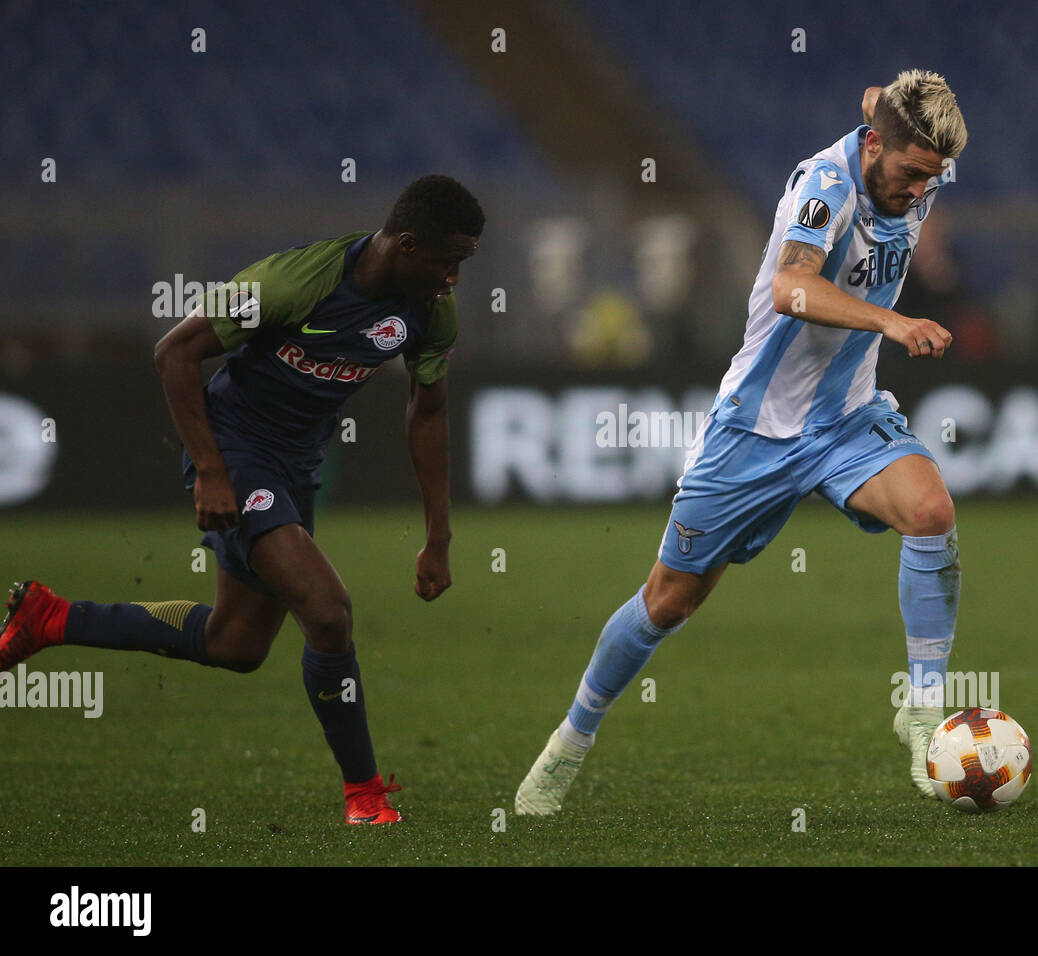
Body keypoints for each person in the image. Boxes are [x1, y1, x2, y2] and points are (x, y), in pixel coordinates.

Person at [515, 70, 967, 815]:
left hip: (846, 418)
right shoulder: (828, 186)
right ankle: (570, 741)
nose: (921, 190)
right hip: (754, 432)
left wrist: (889, 99)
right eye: (913, 174)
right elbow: (793, 288)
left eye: (935, 178)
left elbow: (874, 98)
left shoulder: (911, 150)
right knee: (669, 601)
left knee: (930, 512)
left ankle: (922, 709)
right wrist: (891, 321)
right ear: (876, 146)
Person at [1, 174, 484, 825]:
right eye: (447, 260)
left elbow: (427, 412)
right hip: (234, 450)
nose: (453, 277)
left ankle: (51, 617)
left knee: (236, 643)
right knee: (329, 610)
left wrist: (440, 536)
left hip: (294, 464)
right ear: (405, 246)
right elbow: (175, 352)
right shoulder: (293, 283)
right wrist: (211, 471)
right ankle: (364, 794)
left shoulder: (427, 311)